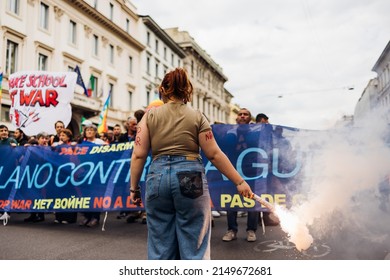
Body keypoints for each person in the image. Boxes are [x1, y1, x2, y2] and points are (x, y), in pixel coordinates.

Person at [130, 68, 253, 260]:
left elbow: (138, 155)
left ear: (163, 89)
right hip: (189, 175)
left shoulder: (149, 116)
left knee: (160, 244)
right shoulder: (197, 116)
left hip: (157, 176)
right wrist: (239, 182)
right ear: (187, 90)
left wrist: (133, 188)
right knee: (195, 244)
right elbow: (213, 154)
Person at [222, 108, 260, 242]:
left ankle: (251, 230)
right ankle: (231, 230)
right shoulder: (230, 133)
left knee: (252, 200)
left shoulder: (256, 133)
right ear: (236, 118)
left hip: (251, 172)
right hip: (233, 171)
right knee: (231, 201)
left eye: (246, 114)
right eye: (240, 114)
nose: (243, 116)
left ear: (250, 118)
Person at [78, 124, 106, 227]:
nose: (89, 132)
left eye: (91, 130)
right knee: (85, 194)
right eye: (87, 130)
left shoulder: (100, 143)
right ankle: (87, 216)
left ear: (95, 132)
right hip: (86, 171)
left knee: (95, 195)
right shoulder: (82, 144)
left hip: (97, 171)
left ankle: (95, 218)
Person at [53, 128, 78, 224]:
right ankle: (59, 216)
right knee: (59, 194)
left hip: (70, 172)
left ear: (68, 137)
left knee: (69, 194)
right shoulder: (56, 145)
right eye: (60, 135)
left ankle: (70, 217)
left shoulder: (72, 146)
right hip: (59, 173)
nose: (61, 137)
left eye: (63, 135)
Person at [24, 132, 49, 223]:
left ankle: (41, 215)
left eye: (46, 138)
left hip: (44, 174)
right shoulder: (33, 148)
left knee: (41, 194)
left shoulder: (49, 149)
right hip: (33, 173)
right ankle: (33, 214)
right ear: (38, 139)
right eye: (42, 138)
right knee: (32, 193)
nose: (44, 140)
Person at [0, 125, 17, 223]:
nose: (4, 132)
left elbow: (16, 152)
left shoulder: (11, 141)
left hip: (10, 170)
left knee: (7, 191)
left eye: (5, 130)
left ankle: (7, 212)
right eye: (1, 130)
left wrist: (14, 148)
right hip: (1, 170)